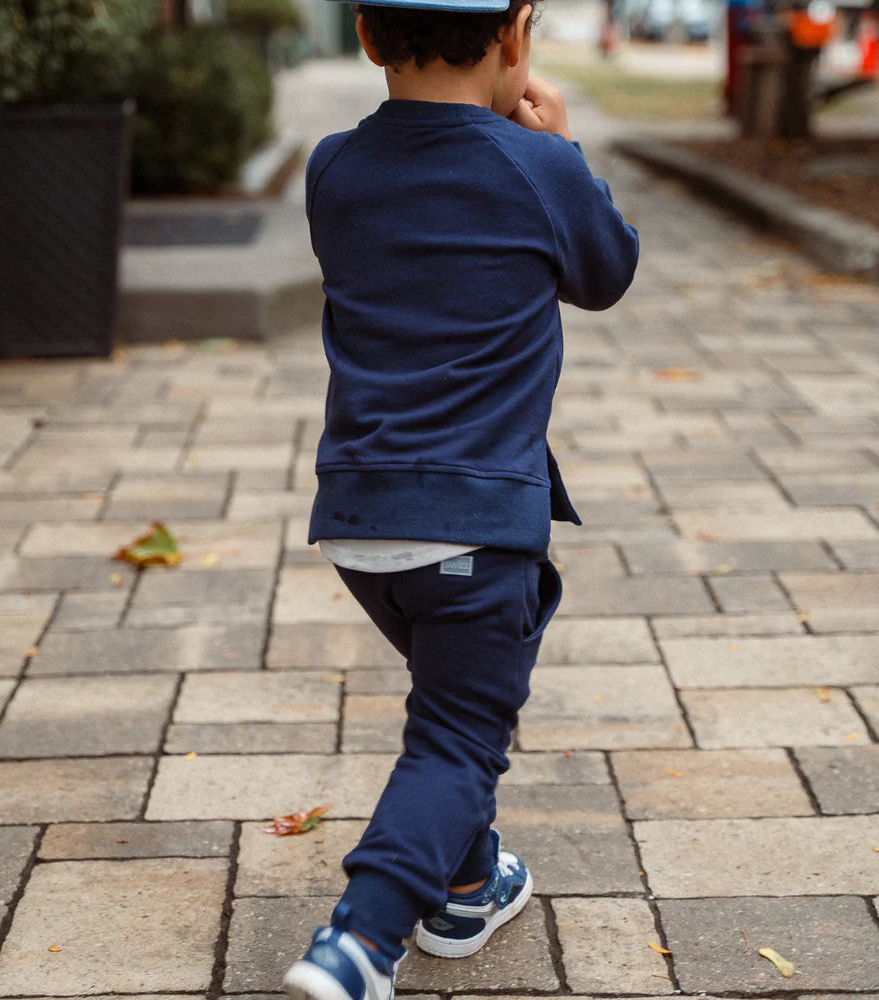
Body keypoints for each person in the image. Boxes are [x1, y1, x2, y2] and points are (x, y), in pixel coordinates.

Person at [284, 1, 639, 998]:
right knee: (454, 739)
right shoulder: (539, 168)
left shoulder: (332, 169)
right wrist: (562, 145)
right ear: (515, 36)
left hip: (361, 528)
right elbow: (606, 272)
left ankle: (468, 885)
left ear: (363, 34)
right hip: (478, 534)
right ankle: (359, 939)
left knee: (454, 710)